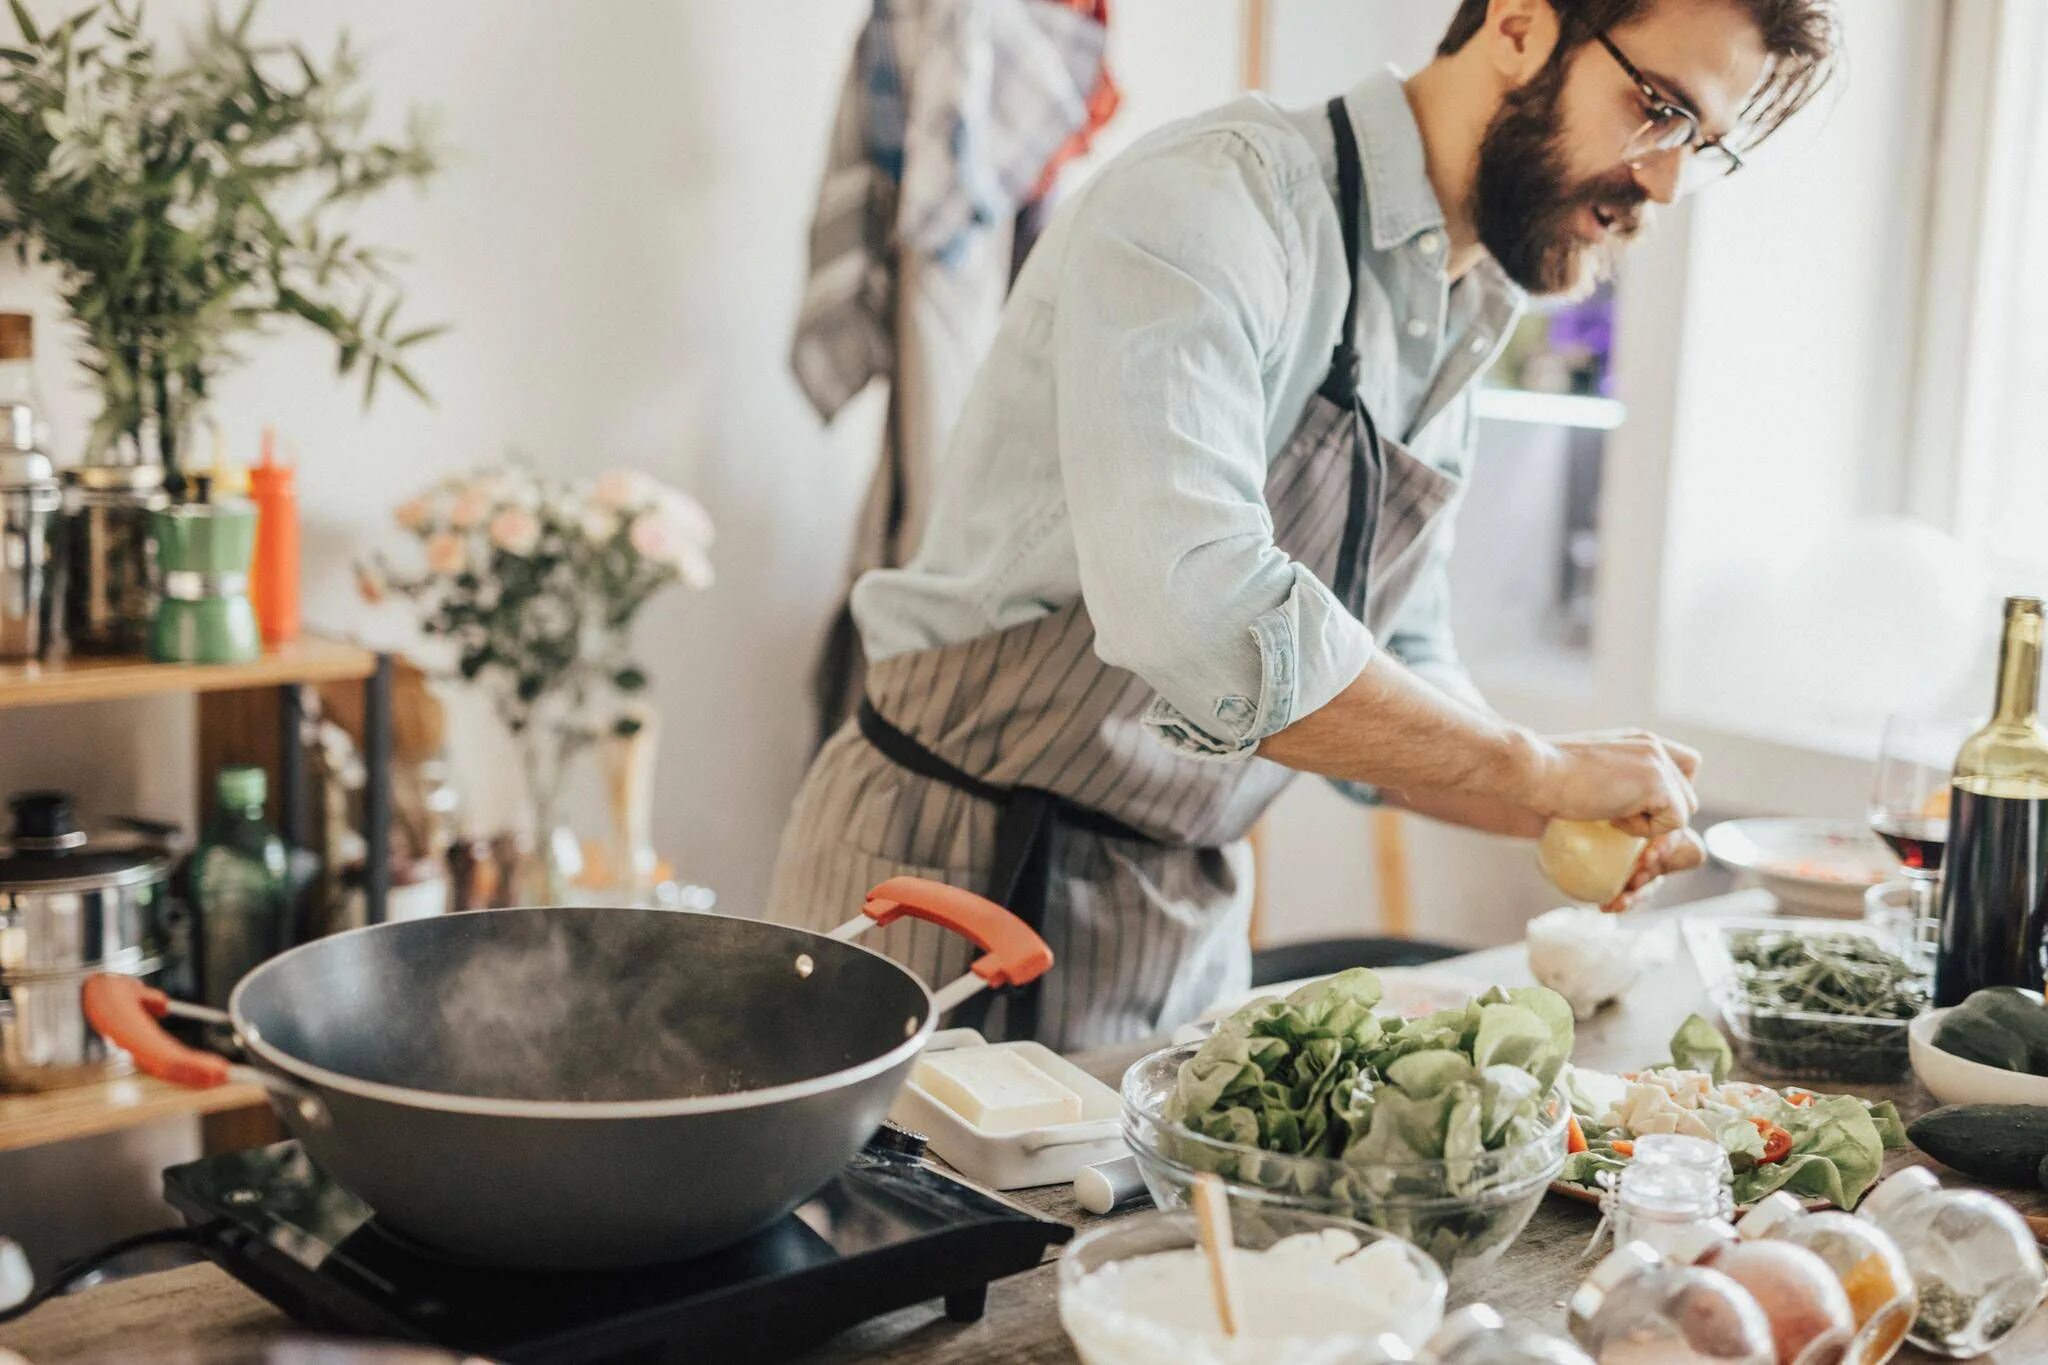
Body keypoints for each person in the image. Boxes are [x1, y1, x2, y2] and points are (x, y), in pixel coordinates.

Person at [768, 0, 1839, 1048]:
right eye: (1655, 106)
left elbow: (1397, 662)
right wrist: (1531, 766)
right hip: (945, 877)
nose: (1662, 184)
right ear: (1517, 25)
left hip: (1173, 930)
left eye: (1702, 147)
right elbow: (1197, 614)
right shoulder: (1214, 200)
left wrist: (1558, 802)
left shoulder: (1464, 308)